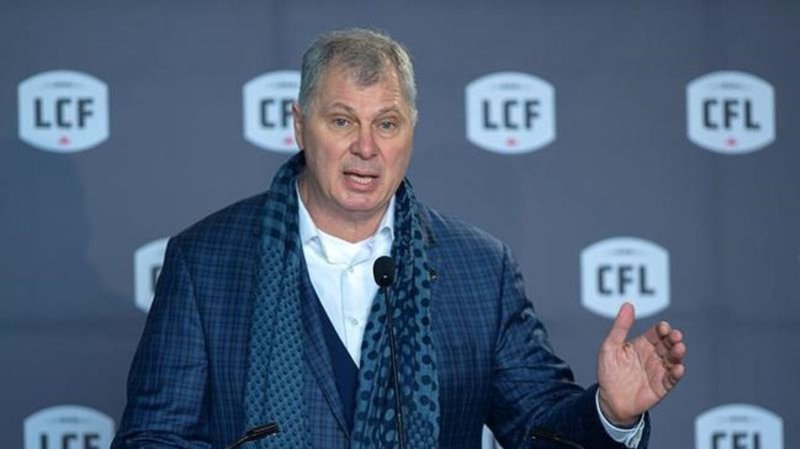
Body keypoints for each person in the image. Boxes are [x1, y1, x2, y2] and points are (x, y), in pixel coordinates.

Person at [112, 28, 685, 449]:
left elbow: (540, 429)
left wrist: (610, 413)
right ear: (299, 125)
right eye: (342, 121)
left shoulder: (479, 270)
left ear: (411, 130)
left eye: (386, 124)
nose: (366, 147)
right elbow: (153, 437)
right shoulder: (207, 262)